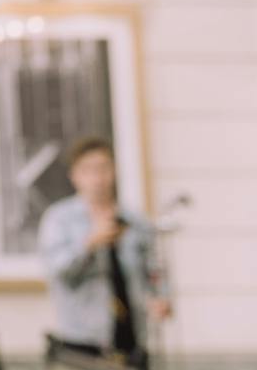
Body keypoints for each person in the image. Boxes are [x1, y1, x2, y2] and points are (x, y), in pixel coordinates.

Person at [38, 136, 172, 357]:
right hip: (82, 338)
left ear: (114, 171)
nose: (97, 178)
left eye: (103, 169)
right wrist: (89, 243)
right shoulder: (59, 219)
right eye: (88, 170)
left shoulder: (135, 221)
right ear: (75, 176)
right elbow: (58, 272)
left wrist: (159, 297)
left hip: (132, 336)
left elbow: (153, 270)